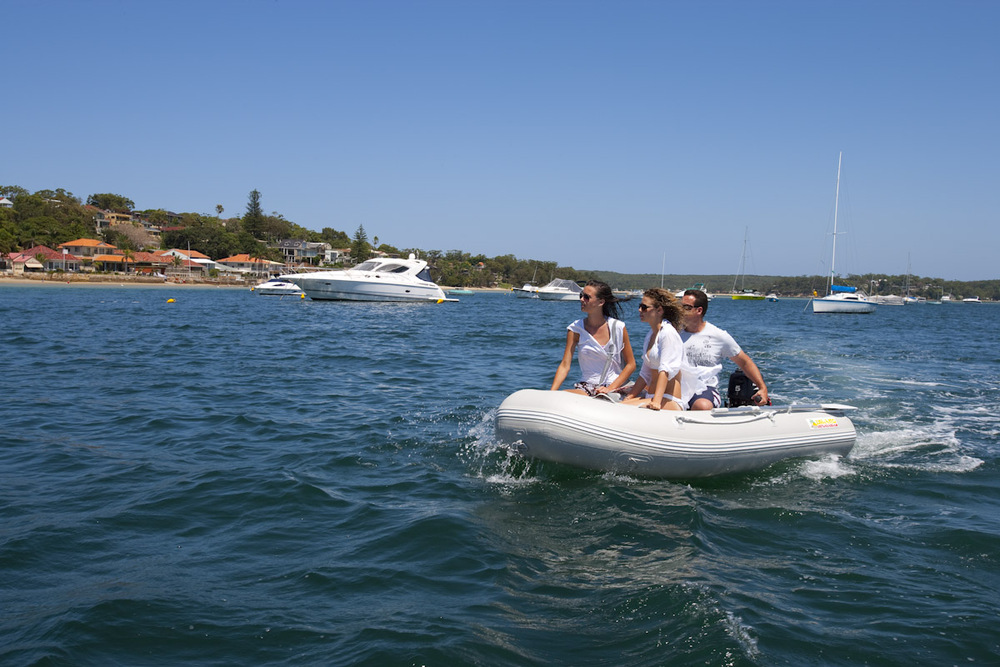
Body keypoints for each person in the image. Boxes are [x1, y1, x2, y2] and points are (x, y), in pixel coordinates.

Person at [679, 289, 769, 409]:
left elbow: (744, 362)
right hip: (676, 386)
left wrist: (762, 388)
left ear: (699, 310)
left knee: (702, 406)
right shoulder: (673, 333)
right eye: (680, 306)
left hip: (705, 388)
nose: (681, 311)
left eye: (686, 307)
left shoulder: (718, 336)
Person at [550, 280, 636, 396]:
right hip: (587, 387)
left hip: (614, 387)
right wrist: (552, 393)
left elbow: (631, 364)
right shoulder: (575, 329)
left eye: (587, 297)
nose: (581, 299)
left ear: (601, 302)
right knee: (561, 395)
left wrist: (610, 388)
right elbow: (565, 365)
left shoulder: (618, 327)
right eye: (581, 296)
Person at [623, 288, 703, 411]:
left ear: (659, 310)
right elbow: (645, 374)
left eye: (644, 307)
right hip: (652, 396)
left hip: (667, 400)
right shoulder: (651, 334)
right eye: (640, 306)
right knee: (620, 405)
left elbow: (665, 370)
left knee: (623, 409)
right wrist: (629, 397)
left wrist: (656, 402)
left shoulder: (668, 333)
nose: (640, 310)